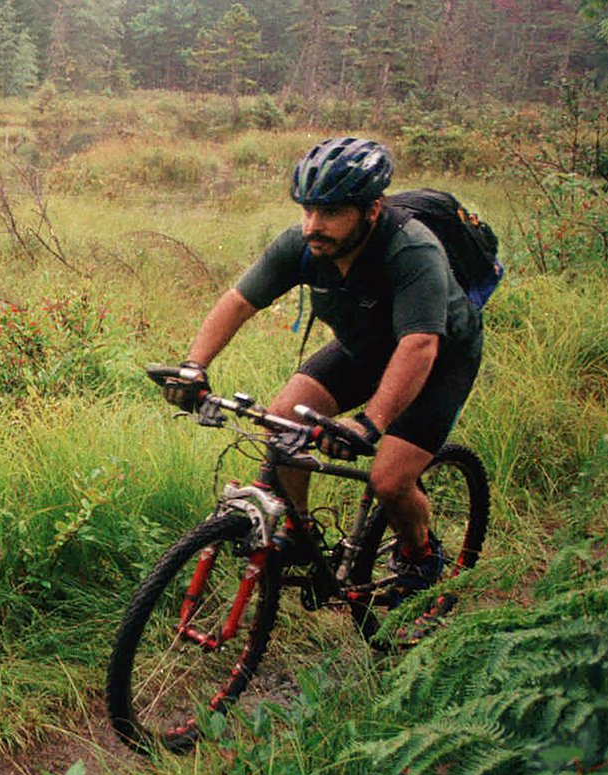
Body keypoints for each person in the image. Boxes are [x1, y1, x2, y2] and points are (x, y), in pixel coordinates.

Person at [163, 136, 483, 596]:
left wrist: (369, 424)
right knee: (282, 424)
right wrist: (193, 366)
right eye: (307, 210)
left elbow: (419, 345)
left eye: (330, 213)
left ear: (371, 210)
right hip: (364, 349)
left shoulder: (412, 251)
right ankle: (300, 534)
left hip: (437, 361)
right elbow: (237, 302)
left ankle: (421, 557)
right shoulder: (302, 246)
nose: (313, 225)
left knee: (389, 479)